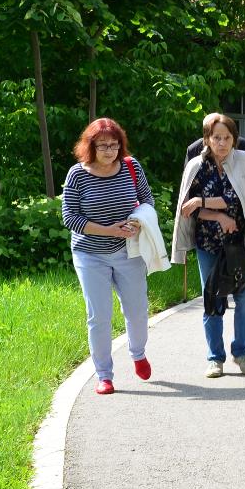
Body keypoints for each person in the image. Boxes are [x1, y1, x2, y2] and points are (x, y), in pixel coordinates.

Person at [61, 118, 155, 396]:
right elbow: (70, 217)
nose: (110, 151)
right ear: (90, 146)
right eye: (103, 146)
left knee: (138, 311)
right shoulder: (77, 174)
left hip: (129, 251)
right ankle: (104, 375)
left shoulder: (131, 166)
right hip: (90, 255)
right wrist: (107, 230)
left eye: (114, 145)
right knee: (99, 316)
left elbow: (147, 200)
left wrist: (137, 222)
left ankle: (137, 353)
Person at [173, 112, 245, 379]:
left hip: (239, 242)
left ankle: (241, 352)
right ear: (207, 140)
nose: (222, 143)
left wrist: (202, 202)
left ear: (234, 139)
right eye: (216, 137)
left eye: (227, 137)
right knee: (212, 299)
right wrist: (215, 213)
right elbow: (189, 209)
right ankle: (215, 358)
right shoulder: (196, 166)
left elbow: (237, 198)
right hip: (208, 243)